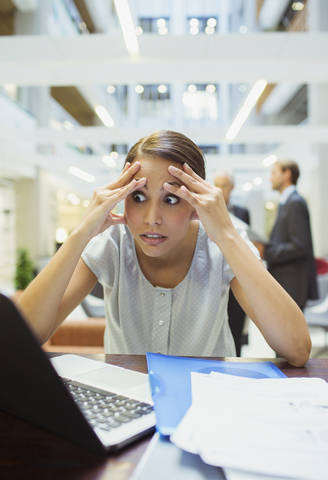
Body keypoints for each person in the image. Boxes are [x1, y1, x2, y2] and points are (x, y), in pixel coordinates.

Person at [18, 131, 311, 367]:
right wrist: (81, 233)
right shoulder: (112, 243)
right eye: (138, 196)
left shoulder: (220, 245)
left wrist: (227, 235)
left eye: (171, 199)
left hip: (206, 399)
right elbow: (24, 337)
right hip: (127, 401)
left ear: (196, 199)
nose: (151, 218)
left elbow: (297, 350)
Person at [256, 160, 318, 311]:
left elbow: (299, 245)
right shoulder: (288, 203)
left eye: (274, 173)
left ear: (287, 174)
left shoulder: (294, 203)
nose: (270, 178)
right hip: (288, 284)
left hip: (293, 286)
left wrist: (267, 251)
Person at [214, 171, 250, 356]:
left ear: (232, 188)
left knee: (237, 325)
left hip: (237, 275)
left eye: (224, 185)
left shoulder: (243, 213)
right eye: (216, 184)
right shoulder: (207, 211)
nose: (219, 189)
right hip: (216, 276)